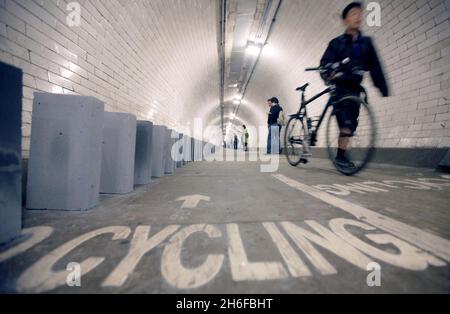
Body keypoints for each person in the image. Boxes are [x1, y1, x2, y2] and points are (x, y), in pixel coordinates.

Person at [320, 2, 389, 169]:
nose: (358, 17)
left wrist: (382, 87)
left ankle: (341, 154)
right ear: (345, 21)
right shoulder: (336, 43)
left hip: (354, 89)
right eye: (353, 14)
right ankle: (341, 156)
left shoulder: (366, 43)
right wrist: (329, 72)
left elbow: (375, 66)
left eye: (360, 13)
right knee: (346, 123)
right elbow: (325, 63)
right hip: (338, 87)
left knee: (351, 124)